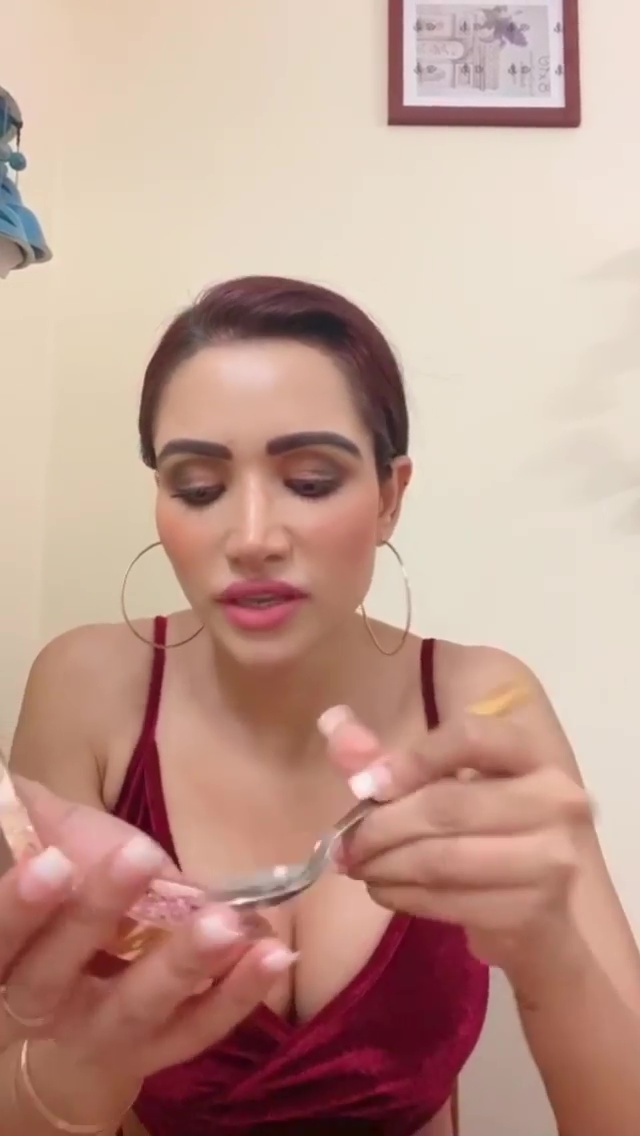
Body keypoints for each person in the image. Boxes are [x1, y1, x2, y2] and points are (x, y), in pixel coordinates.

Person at [0, 275, 639, 1136]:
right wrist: (78, 1070)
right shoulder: (86, 685)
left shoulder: (481, 706)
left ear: (390, 496)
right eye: (198, 487)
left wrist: (553, 954)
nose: (252, 537)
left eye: (309, 480)